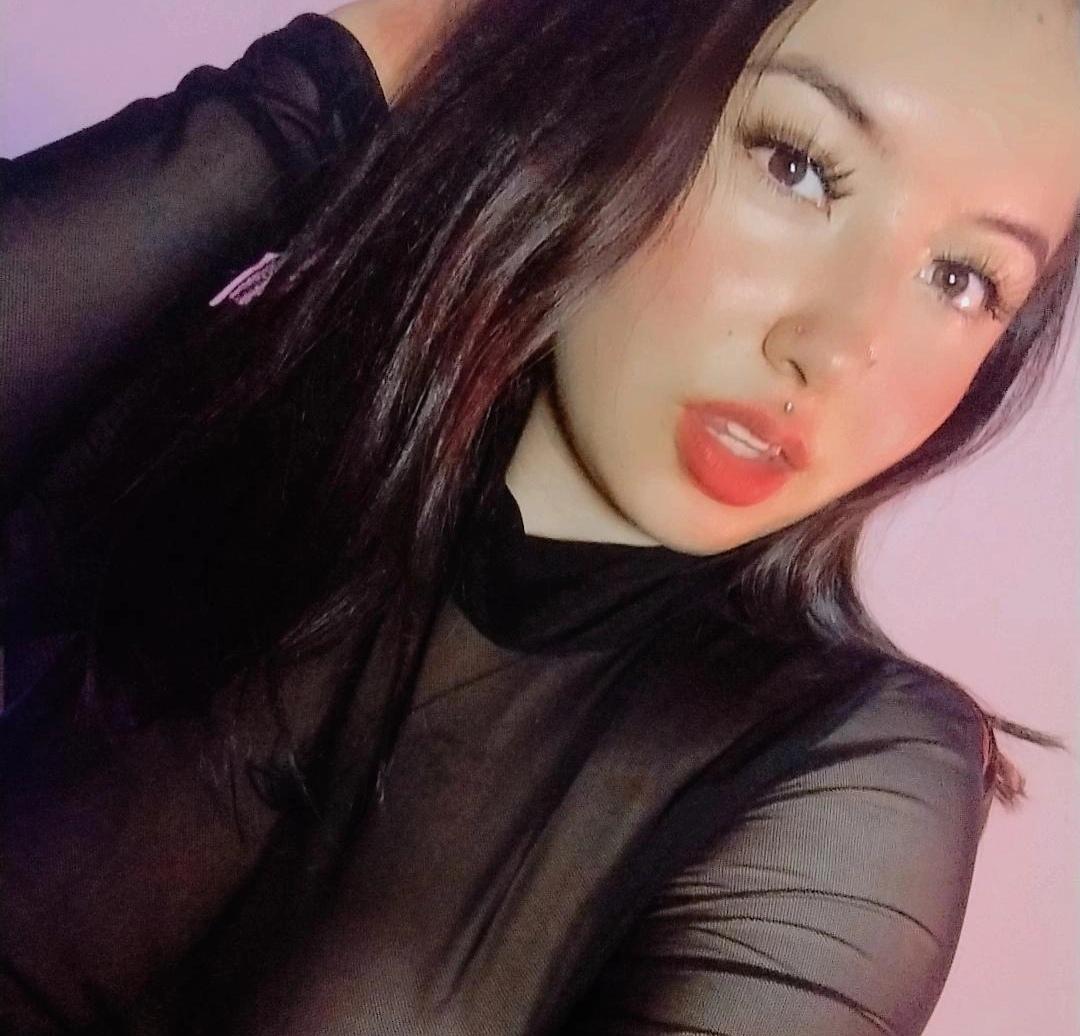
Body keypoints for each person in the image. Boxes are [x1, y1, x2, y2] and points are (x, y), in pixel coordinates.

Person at [1, 0, 1077, 1033]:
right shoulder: (239, 417)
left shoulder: (837, 775)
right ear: (607, 90)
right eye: (795, 165)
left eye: (964, 278)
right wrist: (363, 71)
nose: (835, 350)